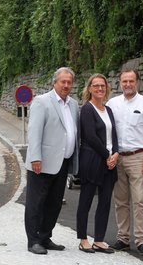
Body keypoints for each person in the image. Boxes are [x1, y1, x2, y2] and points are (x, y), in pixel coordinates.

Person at [24, 67, 79, 255]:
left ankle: (45, 237)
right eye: (62, 81)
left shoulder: (73, 105)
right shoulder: (42, 102)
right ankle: (33, 241)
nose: (66, 85)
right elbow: (34, 132)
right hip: (42, 162)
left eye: (69, 82)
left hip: (62, 162)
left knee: (54, 203)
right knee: (36, 203)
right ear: (54, 82)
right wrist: (35, 158)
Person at [107, 69, 143, 256]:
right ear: (120, 83)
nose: (128, 84)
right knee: (120, 200)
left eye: (131, 81)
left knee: (140, 200)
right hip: (117, 157)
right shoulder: (112, 104)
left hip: (138, 157)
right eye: (124, 81)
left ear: (137, 82)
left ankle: (142, 240)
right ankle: (123, 238)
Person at [76, 74, 119, 254]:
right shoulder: (87, 109)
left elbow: (114, 134)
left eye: (102, 86)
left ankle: (99, 240)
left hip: (109, 162)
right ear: (90, 88)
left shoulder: (108, 110)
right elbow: (91, 137)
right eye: (96, 86)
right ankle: (83, 239)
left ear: (106, 88)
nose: (100, 89)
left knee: (105, 201)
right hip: (93, 160)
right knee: (85, 200)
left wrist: (116, 153)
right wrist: (107, 155)